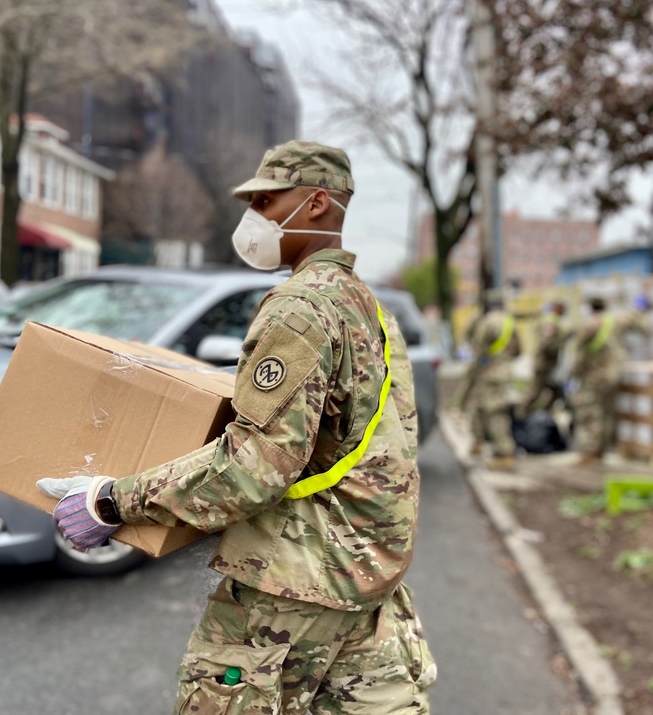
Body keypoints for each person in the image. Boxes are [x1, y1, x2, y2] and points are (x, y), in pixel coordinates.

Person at [36, 141, 436, 714]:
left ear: (317, 203)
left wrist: (112, 501)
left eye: (269, 201)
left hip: (291, 588)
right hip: (367, 581)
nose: (256, 218)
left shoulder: (300, 306)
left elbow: (256, 466)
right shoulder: (370, 307)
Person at [569, 295, 648, 466]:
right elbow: (637, 321)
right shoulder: (616, 322)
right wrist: (641, 307)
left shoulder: (588, 325)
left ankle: (590, 452)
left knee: (588, 414)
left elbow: (578, 354)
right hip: (613, 376)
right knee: (607, 413)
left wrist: (574, 374)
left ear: (590, 308)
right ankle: (602, 449)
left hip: (593, 377)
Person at [459, 289, 521, 470]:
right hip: (505, 372)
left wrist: (473, 373)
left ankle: (505, 454)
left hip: (488, 374)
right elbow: (519, 350)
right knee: (480, 407)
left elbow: (478, 351)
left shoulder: (487, 322)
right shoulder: (510, 322)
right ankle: (477, 443)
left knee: (495, 413)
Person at [520, 299, 572, 415]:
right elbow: (547, 343)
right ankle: (521, 414)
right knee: (535, 391)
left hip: (550, 364)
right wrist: (562, 339)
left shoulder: (552, 320)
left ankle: (544, 414)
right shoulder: (550, 321)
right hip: (544, 364)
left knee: (554, 392)